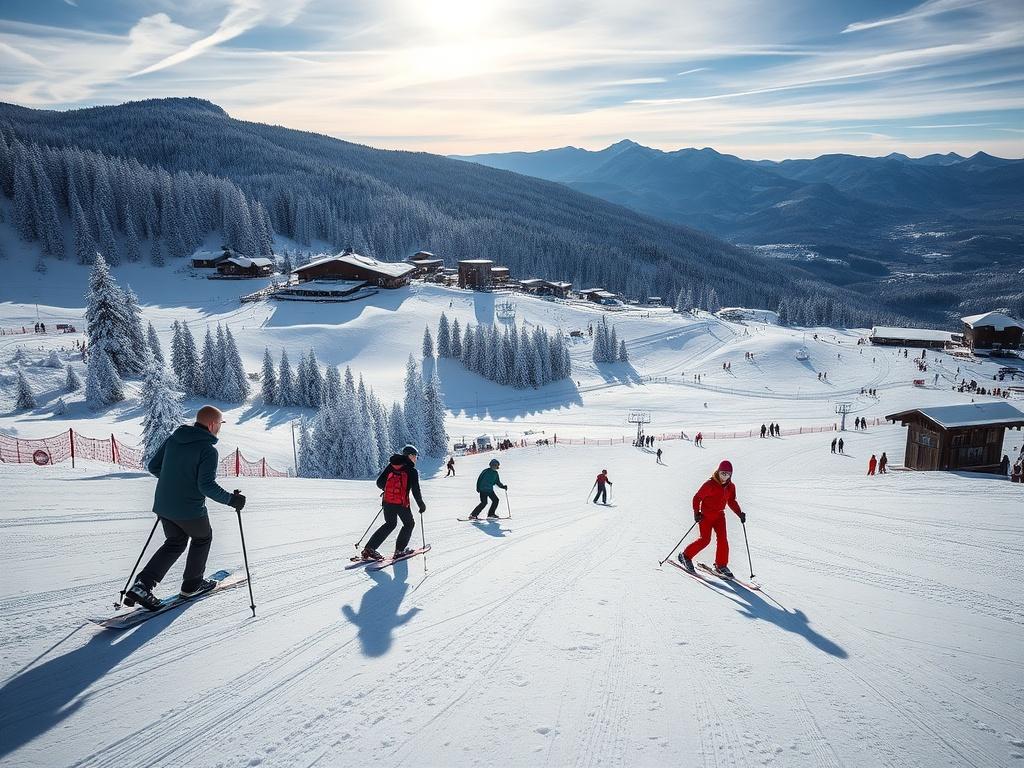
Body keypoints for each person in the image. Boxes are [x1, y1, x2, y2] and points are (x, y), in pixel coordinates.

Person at [126, 406, 245, 611]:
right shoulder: (208, 450)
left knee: (175, 542)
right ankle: (192, 584)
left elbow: (155, 467)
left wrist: (175, 482)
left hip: (164, 505)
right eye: (219, 424)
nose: (220, 428)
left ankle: (142, 586)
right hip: (189, 509)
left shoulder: (174, 439)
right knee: (202, 538)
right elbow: (205, 486)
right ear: (212, 425)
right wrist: (231, 500)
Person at [677, 460, 744, 577]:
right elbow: (697, 498)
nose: (725, 476)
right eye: (723, 473)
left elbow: (731, 501)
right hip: (706, 516)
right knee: (705, 540)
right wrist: (696, 512)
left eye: (728, 474)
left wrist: (739, 513)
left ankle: (721, 565)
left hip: (719, 516)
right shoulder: (710, 484)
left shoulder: (730, 487)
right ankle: (685, 556)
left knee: (723, 539)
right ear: (718, 472)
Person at [362, 444, 426, 561]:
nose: (416, 459)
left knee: (390, 524)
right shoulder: (412, 471)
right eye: (415, 456)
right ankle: (399, 551)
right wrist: (421, 505)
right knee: (409, 524)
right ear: (410, 456)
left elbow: (379, 483)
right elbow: (416, 491)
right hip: (401, 504)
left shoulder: (392, 466)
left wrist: (389, 490)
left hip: (387, 501)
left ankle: (369, 548)